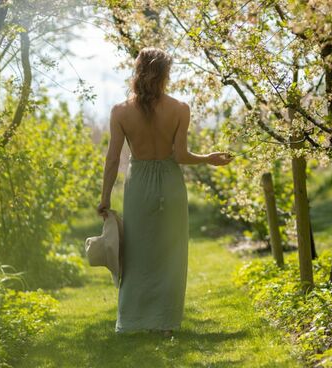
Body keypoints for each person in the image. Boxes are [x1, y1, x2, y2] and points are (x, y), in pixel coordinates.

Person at [96, 46, 233, 338]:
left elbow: (112, 158)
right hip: (170, 183)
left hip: (139, 184)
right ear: (166, 74)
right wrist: (208, 158)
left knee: (136, 253)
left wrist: (105, 197)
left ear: (138, 71)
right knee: (171, 254)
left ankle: (132, 321)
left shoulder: (120, 111)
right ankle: (166, 323)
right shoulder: (180, 108)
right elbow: (181, 156)